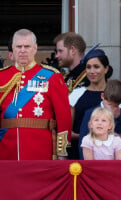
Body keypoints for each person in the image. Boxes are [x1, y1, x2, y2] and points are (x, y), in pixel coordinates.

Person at [0, 29, 71, 160]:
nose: (22, 50)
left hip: (40, 150)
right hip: (6, 150)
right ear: (12, 49)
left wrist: (61, 151)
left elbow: (63, 116)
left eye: (27, 46)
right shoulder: (1, 77)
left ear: (35, 48)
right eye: (18, 46)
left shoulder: (52, 76)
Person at [68, 49, 121, 159]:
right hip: (81, 153)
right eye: (88, 67)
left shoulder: (120, 96)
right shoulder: (76, 95)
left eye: (96, 67)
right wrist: (90, 136)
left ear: (106, 69)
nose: (92, 71)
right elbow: (68, 131)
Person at [79, 79, 121, 159]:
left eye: (116, 106)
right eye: (110, 104)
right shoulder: (91, 113)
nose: (112, 109)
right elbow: (83, 142)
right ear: (102, 96)